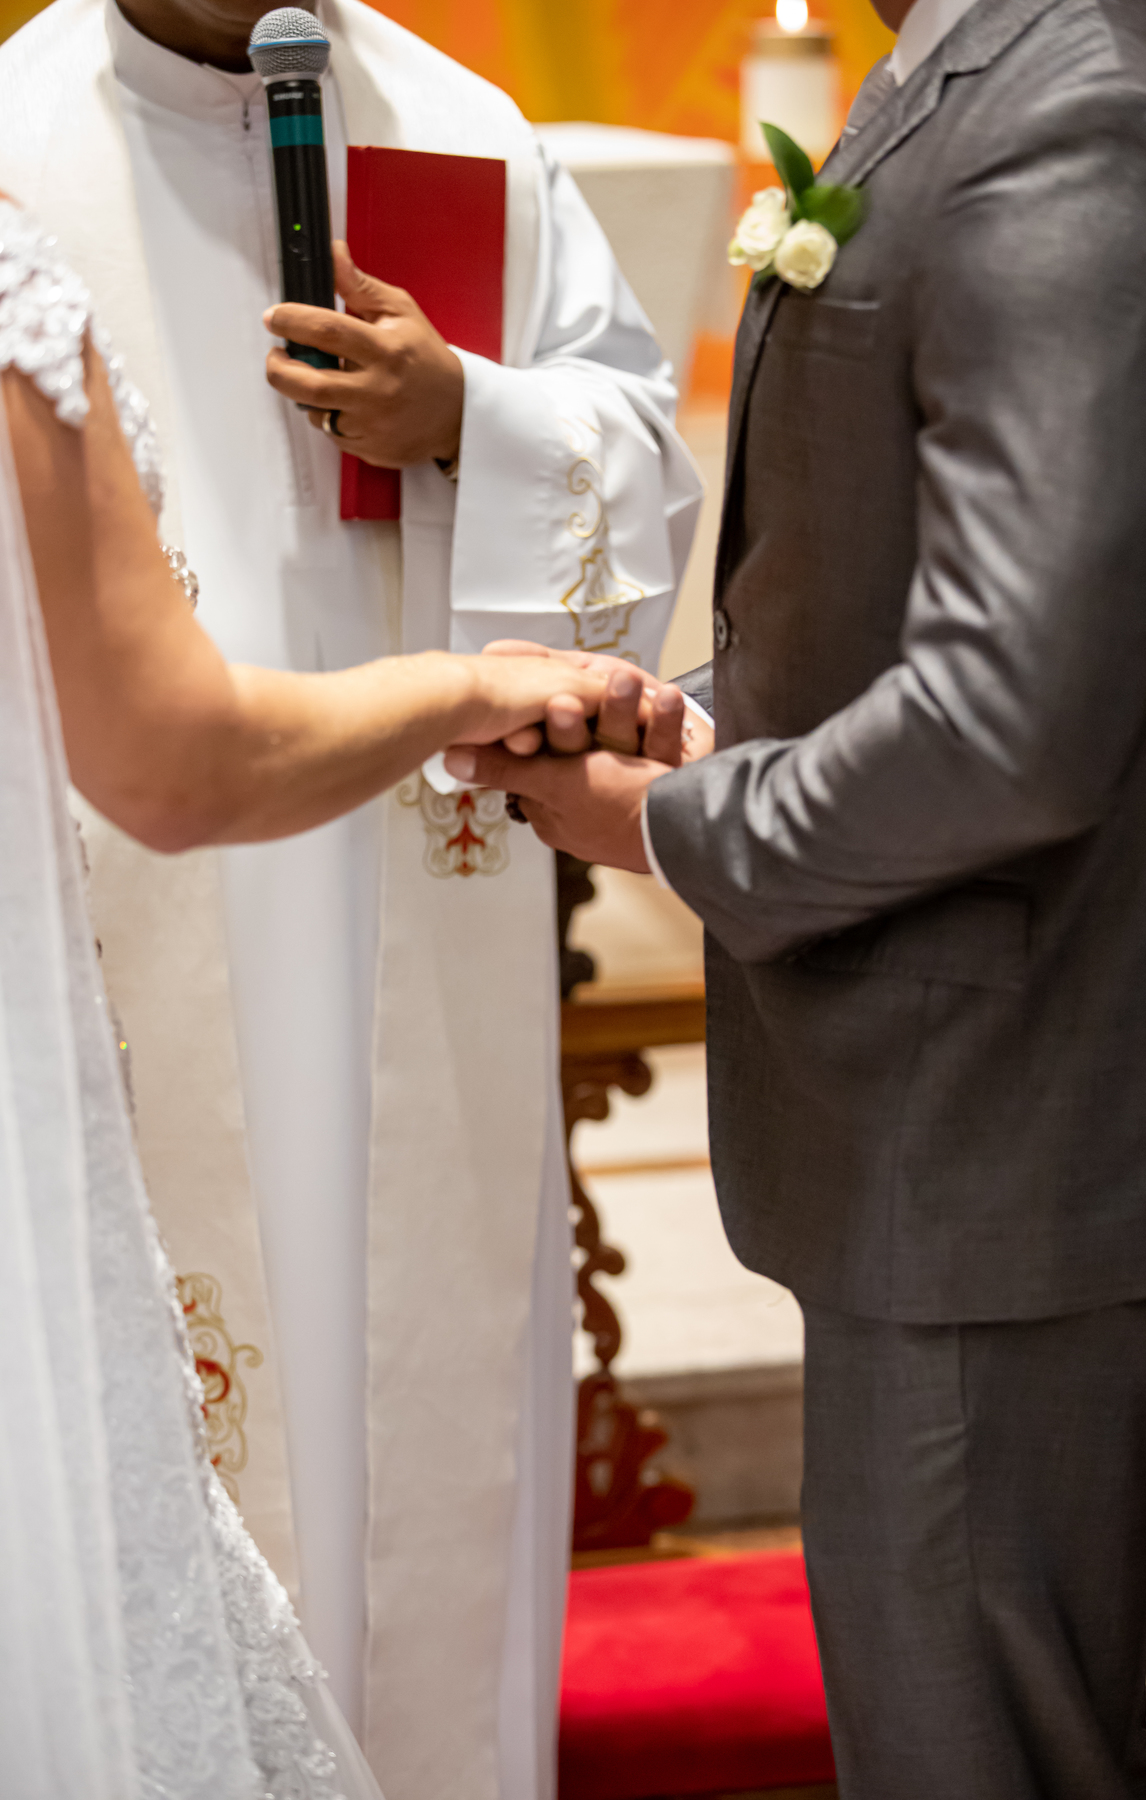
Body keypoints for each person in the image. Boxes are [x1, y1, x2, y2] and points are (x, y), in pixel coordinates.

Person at [450, 0, 1146, 1794]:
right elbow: (909, 586)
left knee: (982, 1754)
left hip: (1006, 1116)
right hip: (949, 1112)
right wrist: (701, 712)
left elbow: (1013, 722)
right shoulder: (967, 65)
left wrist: (671, 822)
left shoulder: (1079, 105)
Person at [0, 1, 702, 1793]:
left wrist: (467, 411)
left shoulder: (462, 127)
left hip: (420, 902)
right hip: (128, 894)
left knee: (424, 1458)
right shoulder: (17, 144)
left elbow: (641, 466)